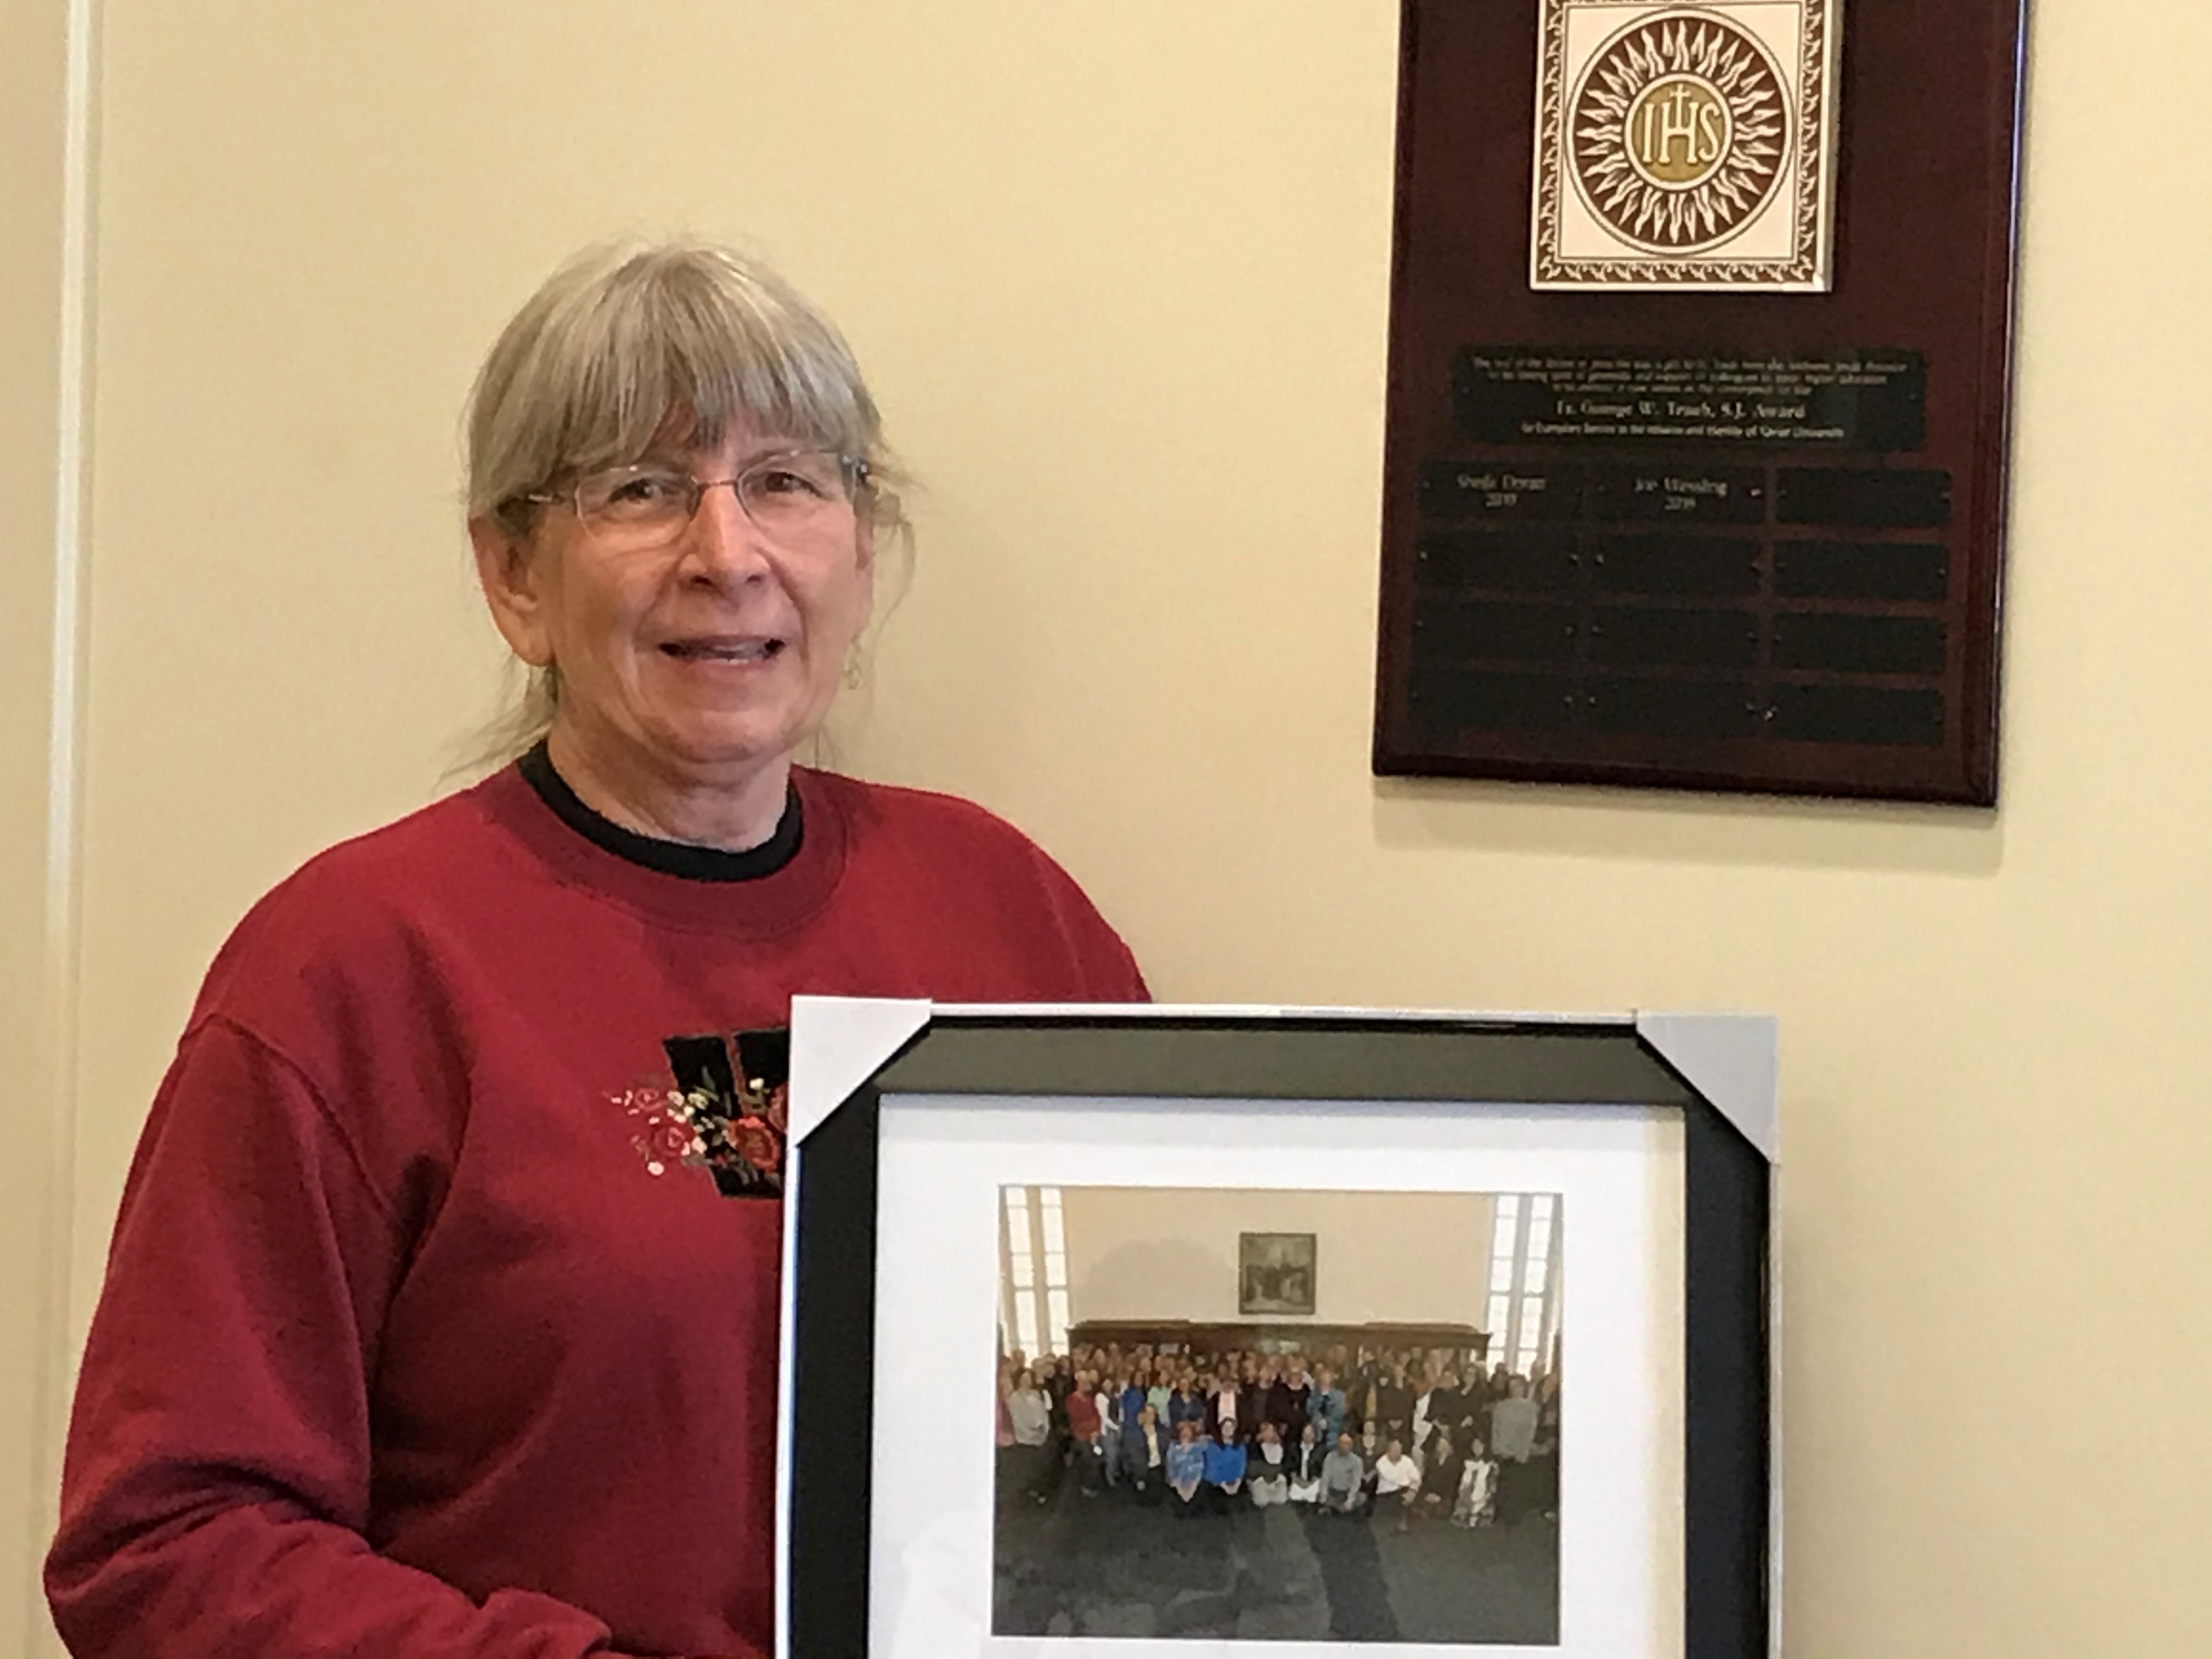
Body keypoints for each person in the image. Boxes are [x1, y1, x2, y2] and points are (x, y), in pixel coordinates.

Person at [42, 241, 1147, 1659]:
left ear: (861, 553)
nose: (727, 553)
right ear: (513, 576)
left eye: (787, 482)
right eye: (638, 489)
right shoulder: (351, 968)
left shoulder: (1009, 915)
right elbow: (164, 1543)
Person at [1373, 1438, 1422, 1533]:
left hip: (1404, 1490)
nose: (1397, 1452)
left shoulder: (1407, 1461)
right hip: (1386, 1494)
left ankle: (1403, 1521)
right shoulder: (1381, 1463)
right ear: (1388, 1451)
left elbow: (1416, 1477)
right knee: (1398, 1497)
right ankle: (1398, 1521)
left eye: (1399, 1450)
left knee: (1408, 1493)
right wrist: (1408, 1484)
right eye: (1395, 1450)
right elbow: (1392, 1479)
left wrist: (1412, 1491)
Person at [1124, 1404, 1169, 1503]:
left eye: (1152, 1413)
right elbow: (1132, 1452)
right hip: (1141, 1466)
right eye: (1146, 1413)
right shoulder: (1134, 1432)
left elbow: (1165, 1448)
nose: (1149, 1416)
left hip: (1157, 1466)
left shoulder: (1162, 1431)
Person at [1451, 1438, 1499, 1528]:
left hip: (1483, 1498)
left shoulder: (1491, 1466)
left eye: (1479, 1446)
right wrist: (1466, 1497)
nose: (1477, 1448)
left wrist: (1484, 1499)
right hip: (1466, 1498)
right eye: (1475, 1446)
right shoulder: (1468, 1464)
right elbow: (1463, 1484)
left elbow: (1492, 1488)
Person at [1166, 1423, 1209, 1519]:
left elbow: (1200, 1466)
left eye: (1188, 1433)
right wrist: (1177, 1484)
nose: (1185, 1435)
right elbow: (1171, 1468)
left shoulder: (1198, 1448)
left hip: (1195, 1481)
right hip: (1178, 1481)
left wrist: (1194, 1484)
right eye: (1183, 1433)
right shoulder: (1173, 1450)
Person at [1321, 1431, 1367, 1515]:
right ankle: (1338, 1508)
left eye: (1347, 1443)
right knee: (1320, 1494)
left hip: (1347, 1493)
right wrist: (1324, 1494)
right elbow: (1325, 1478)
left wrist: (1350, 1500)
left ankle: (1336, 1509)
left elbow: (1356, 1483)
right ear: (1338, 1443)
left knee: (1362, 1498)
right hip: (1333, 1492)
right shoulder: (1330, 1457)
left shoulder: (1357, 1461)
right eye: (1342, 1443)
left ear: (1351, 1445)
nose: (1344, 1446)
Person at [1201, 1427, 1247, 1513]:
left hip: (1211, 1436)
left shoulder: (1211, 1476)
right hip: (1224, 1436)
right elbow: (1241, 1451)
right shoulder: (1239, 1472)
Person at [1246, 1421, 1291, 1507]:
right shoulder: (1254, 1448)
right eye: (1266, 1431)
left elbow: (1286, 1467)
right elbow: (1253, 1468)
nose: (1270, 1434)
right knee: (1261, 1501)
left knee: (1281, 1499)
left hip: (1277, 1480)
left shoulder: (1282, 1447)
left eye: (1272, 1431)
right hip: (1261, 1480)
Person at [1288, 1422, 1327, 1504]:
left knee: (1313, 1495)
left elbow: (1322, 1469)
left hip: (1313, 1482)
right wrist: (1297, 1480)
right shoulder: (1294, 1448)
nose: (1307, 1437)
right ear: (1302, 1435)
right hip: (1298, 1481)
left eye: (1310, 1435)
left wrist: (1311, 1482)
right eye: (1305, 1434)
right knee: (1294, 1496)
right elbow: (1290, 1467)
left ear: (1314, 1435)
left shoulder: (1321, 1450)